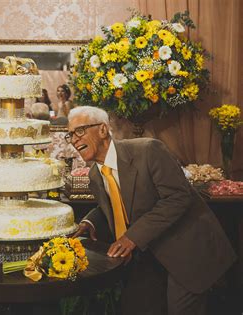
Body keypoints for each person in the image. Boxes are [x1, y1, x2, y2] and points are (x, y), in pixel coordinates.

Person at [68, 106, 236, 315]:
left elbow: (178, 197)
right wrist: (89, 222)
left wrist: (132, 237)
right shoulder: (95, 174)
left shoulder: (148, 150)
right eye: (70, 135)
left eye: (79, 131)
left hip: (187, 250)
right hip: (149, 255)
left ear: (103, 130)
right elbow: (114, 202)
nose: (74, 139)